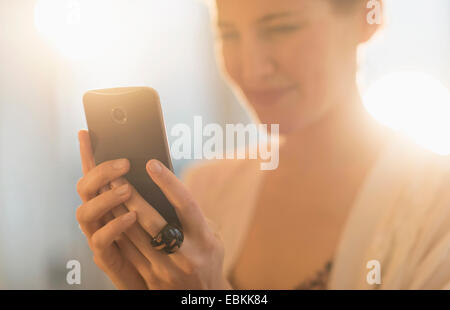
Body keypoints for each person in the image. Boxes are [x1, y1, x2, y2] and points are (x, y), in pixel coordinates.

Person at [76, 0, 450, 289]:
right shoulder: (204, 189)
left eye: (282, 28)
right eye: (229, 35)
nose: (252, 69)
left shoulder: (437, 211)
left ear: (367, 18)